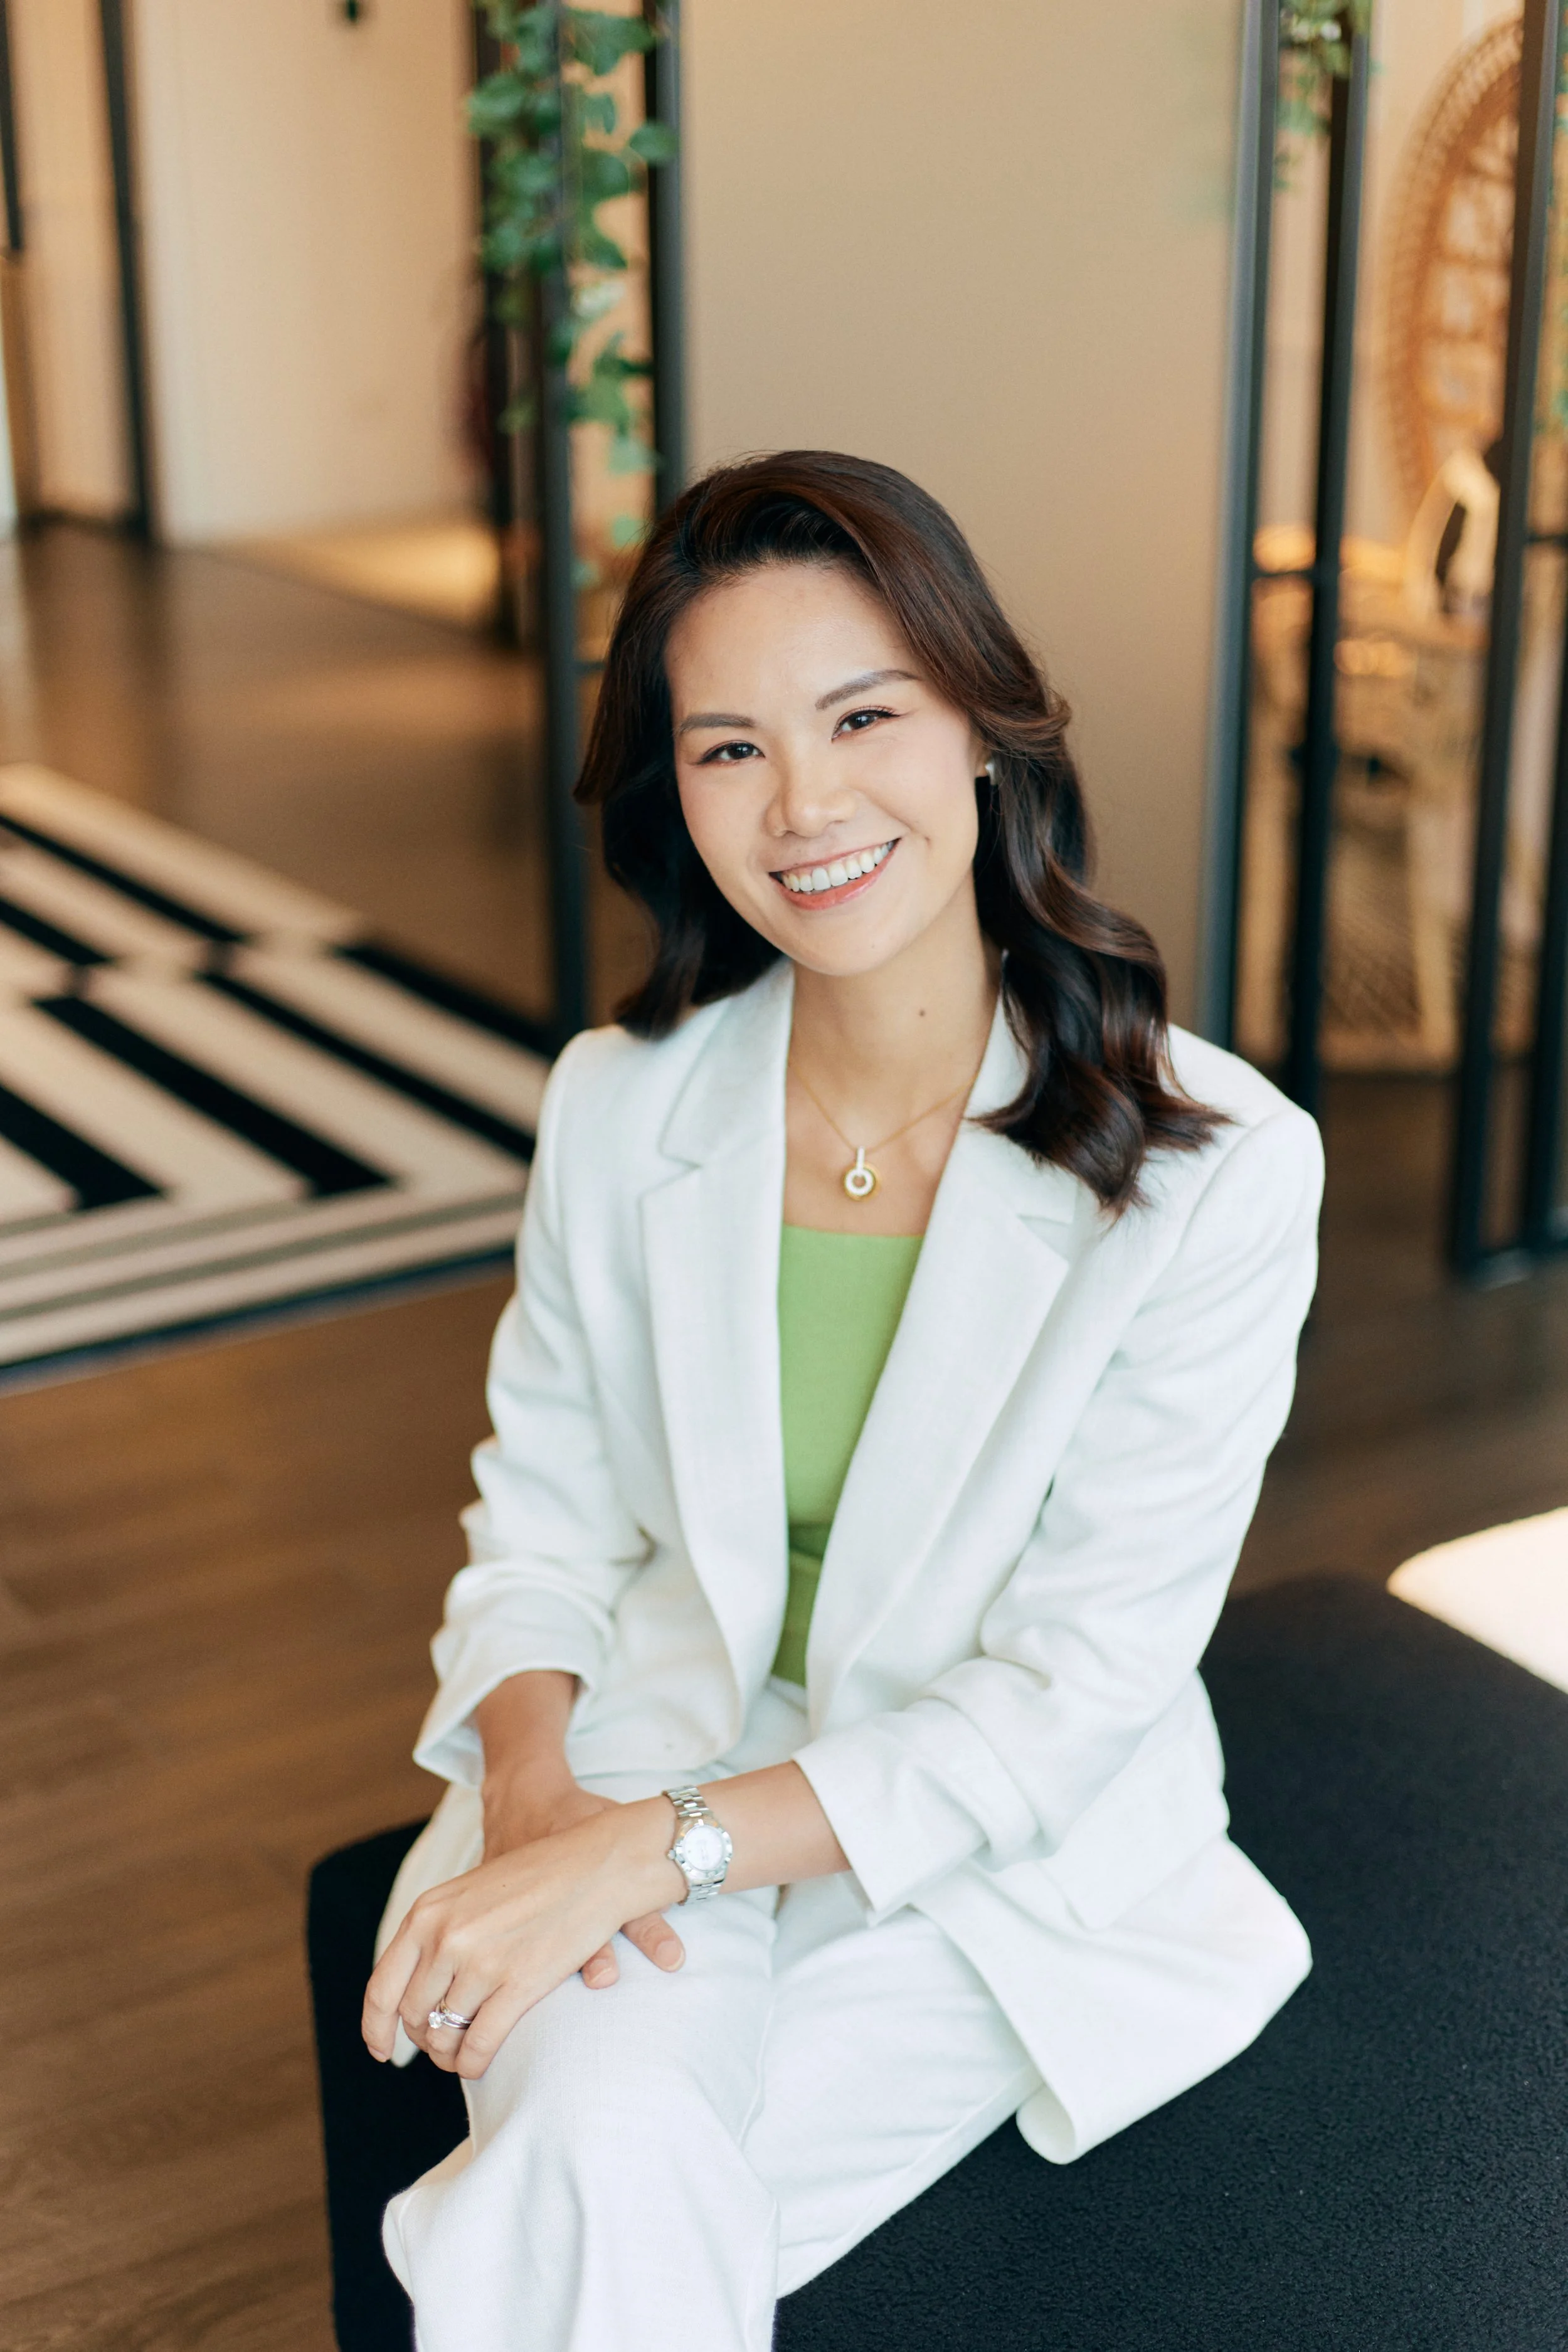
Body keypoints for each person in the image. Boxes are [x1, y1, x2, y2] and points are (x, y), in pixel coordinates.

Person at [361, 450, 1322, 2351]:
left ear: (978, 723)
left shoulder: (1220, 1170)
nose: (802, 805)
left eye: (860, 715)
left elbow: (1066, 1698)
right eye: (726, 748)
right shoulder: (619, 1106)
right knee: (615, 2160)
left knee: (591, 2184)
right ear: (675, 793)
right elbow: (541, 1513)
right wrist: (541, 1809)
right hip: (643, 1744)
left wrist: (654, 1851)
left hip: (991, 1840)